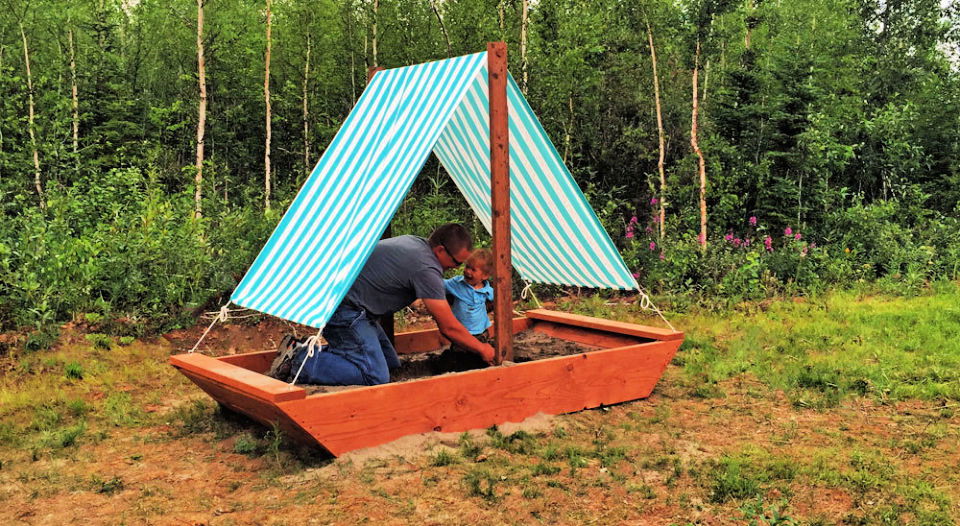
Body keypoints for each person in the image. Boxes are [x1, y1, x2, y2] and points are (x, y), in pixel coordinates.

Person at [273, 223, 495, 386]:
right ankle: (298, 359)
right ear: (440, 251)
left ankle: (307, 350)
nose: (457, 269)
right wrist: (482, 348)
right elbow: (448, 327)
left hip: (354, 308)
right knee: (375, 376)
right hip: (344, 310)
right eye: (456, 262)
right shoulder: (426, 268)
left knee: (390, 363)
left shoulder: (414, 242)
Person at [436, 249, 496, 372]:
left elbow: (498, 300)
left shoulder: (488, 290)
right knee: (459, 359)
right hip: (461, 332)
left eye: (473, 269)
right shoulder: (456, 284)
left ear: (484, 276)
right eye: (467, 267)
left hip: (481, 332)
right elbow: (438, 284)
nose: (467, 271)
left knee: (480, 359)